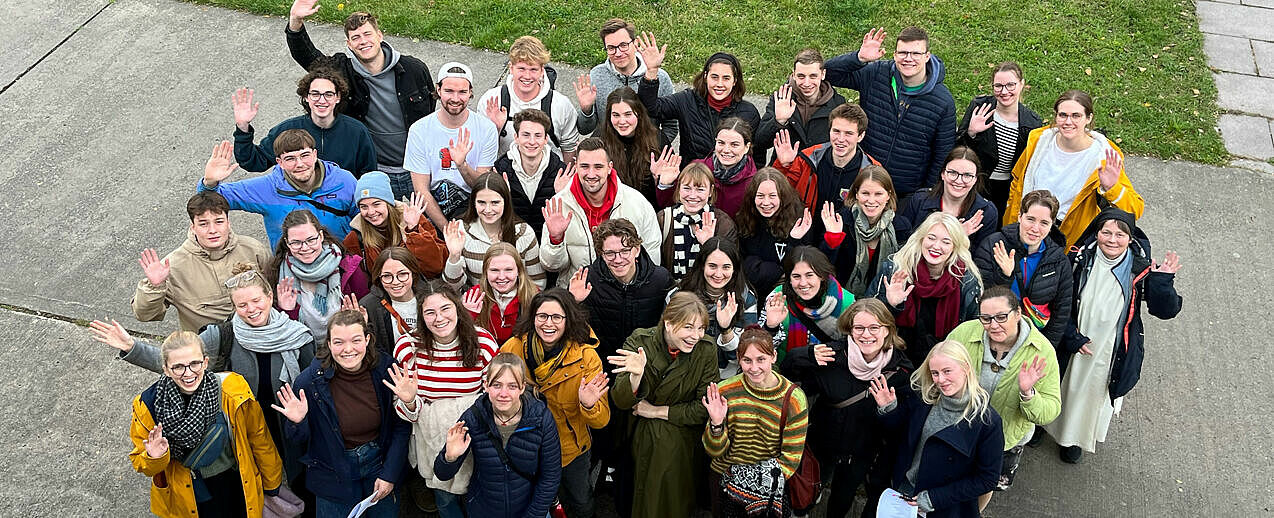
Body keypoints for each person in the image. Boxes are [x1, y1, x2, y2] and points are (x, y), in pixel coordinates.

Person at [99, 263, 316, 495]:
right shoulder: (222, 335)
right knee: (256, 492)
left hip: (290, 426)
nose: (251, 309)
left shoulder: (297, 336)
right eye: (241, 305)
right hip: (242, 432)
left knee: (297, 487)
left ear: (270, 296)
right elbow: (180, 361)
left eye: (256, 300)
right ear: (233, 307)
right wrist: (132, 347)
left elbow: (313, 386)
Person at [1044, 208, 1182, 463]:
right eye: (1106, 232)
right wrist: (1071, 335)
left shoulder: (1140, 269)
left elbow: (1165, 310)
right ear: (1096, 234)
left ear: (1130, 239)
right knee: (1058, 380)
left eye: (1120, 234)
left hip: (1108, 346)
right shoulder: (1078, 259)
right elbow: (1059, 302)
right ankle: (1042, 424)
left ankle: (1073, 438)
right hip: (1074, 337)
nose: (1112, 239)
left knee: (1089, 393)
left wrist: (1163, 281)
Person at [127, 331, 284, 518]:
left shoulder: (233, 389)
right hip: (189, 493)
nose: (188, 373)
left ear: (206, 362)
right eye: (178, 367)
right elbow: (141, 464)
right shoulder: (148, 405)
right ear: (166, 369)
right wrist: (155, 456)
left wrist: (272, 484)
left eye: (195, 363)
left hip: (235, 484)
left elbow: (259, 439)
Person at [286, 4, 436, 197]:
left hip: (418, 167)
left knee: (428, 224)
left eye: (367, 34)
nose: (363, 41)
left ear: (379, 36)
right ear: (349, 44)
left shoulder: (414, 69)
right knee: (380, 224)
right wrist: (296, 21)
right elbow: (308, 58)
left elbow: (431, 111)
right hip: (377, 170)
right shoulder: (342, 71)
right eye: (355, 37)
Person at [781, 298, 913, 518]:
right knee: (806, 492)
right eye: (859, 328)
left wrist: (889, 409)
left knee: (842, 500)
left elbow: (902, 426)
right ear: (849, 329)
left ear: (887, 330)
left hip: (862, 452)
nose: (866, 334)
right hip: (822, 444)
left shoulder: (901, 370)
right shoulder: (831, 355)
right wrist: (804, 355)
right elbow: (789, 380)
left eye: (874, 327)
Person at [274, 310, 411, 517]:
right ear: (328, 344)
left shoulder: (386, 369)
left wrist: (390, 474)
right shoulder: (308, 383)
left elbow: (401, 426)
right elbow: (296, 441)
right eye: (338, 342)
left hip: (378, 464)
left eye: (356, 340)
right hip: (333, 474)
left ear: (367, 339)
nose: (348, 349)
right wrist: (297, 422)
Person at [387, 280, 500, 518]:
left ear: (458, 309)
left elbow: (493, 398)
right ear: (421, 317)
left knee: (480, 498)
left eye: (445, 309)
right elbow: (409, 410)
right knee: (445, 499)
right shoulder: (408, 347)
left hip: (474, 435)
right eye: (430, 312)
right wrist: (408, 401)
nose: (439, 318)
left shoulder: (485, 343)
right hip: (432, 441)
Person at [945, 286, 1060, 510]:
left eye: (1001, 317)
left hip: (1005, 440)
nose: (993, 325)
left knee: (984, 486)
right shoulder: (964, 333)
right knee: (952, 477)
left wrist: (1028, 394)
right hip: (960, 428)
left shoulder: (1042, 351)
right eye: (986, 318)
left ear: (1018, 314)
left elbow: (1051, 409)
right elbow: (938, 368)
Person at [501, 289, 612, 518]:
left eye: (556, 317)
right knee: (535, 502)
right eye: (542, 316)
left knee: (580, 502)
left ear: (568, 319)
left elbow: (601, 421)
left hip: (570, 448)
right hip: (527, 445)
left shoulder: (586, 357)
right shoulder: (512, 348)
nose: (548, 323)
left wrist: (589, 405)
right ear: (532, 318)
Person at [609, 292, 719, 518]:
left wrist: (657, 411)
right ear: (668, 323)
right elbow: (620, 400)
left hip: (682, 431)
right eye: (688, 327)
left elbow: (703, 407)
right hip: (637, 429)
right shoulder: (640, 342)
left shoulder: (706, 350)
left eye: (701, 328)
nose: (696, 336)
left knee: (665, 446)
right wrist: (635, 377)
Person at [869, 340, 1002, 518]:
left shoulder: (987, 421)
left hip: (941, 508)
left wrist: (934, 498)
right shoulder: (923, 398)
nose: (940, 380)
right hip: (901, 496)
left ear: (966, 368)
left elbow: (987, 479)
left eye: (947, 371)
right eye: (935, 373)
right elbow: (898, 438)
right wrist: (889, 409)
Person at [823, 27, 957, 200]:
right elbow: (828, 73)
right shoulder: (876, 73)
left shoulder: (943, 101)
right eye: (903, 52)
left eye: (916, 53)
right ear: (894, 55)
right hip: (863, 181)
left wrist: (927, 194)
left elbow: (942, 154)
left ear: (927, 56)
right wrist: (859, 58)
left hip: (905, 193)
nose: (908, 59)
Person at [1004, 90, 1144, 248]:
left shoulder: (1104, 156)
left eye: (1076, 116)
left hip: (1065, 237)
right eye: (1062, 115)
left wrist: (1112, 188)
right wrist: (1012, 217)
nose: (1068, 122)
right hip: (1026, 227)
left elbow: (1134, 210)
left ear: (1088, 118)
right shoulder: (1039, 141)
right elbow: (1017, 181)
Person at [435, 353, 563, 518]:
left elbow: (550, 477)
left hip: (530, 509)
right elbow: (442, 474)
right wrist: (449, 457)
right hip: (484, 510)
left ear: (522, 387)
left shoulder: (541, 418)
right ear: (486, 385)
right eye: (496, 385)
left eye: (512, 386)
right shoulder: (473, 418)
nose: (504, 393)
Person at [702, 327, 809, 518]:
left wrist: (752, 482)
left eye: (761, 359)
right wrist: (716, 425)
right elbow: (714, 451)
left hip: (768, 488)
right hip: (724, 481)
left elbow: (791, 458)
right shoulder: (724, 390)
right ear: (738, 358)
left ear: (774, 356)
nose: (754, 368)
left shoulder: (793, 398)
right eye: (747, 360)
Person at [132, 191, 272, 332]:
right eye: (203, 224)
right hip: (208, 348)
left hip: (263, 336)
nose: (212, 230)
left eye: (219, 222)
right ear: (193, 227)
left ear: (228, 223)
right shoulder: (171, 267)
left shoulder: (253, 249)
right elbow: (145, 315)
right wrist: (155, 287)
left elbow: (274, 291)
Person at [540, 137, 662, 287]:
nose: (591, 174)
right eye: (584, 166)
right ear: (576, 166)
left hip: (624, 294)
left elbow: (652, 257)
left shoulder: (637, 203)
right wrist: (556, 239)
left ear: (610, 167)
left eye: (598, 167)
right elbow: (552, 266)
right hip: (577, 294)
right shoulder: (559, 205)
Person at [198, 133, 357, 246]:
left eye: (305, 155)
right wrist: (210, 182)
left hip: (344, 265)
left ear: (315, 154)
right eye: (290, 159)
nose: (299, 164)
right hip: (294, 271)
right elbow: (213, 200)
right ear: (279, 162)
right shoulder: (266, 188)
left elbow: (366, 217)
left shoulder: (343, 180)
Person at [868, 212, 983, 366]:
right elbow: (866, 317)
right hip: (895, 356)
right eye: (931, 238)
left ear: (955, 247)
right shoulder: (895, 268)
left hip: (944, 360)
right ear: (921, 238)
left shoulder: (967, 280)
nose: (936, 246)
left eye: (946, 242)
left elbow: (973, 331)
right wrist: (891, 304)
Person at [635, 35, 761, 167]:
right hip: (692, 180)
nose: (719, 84)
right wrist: (652, 71)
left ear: (734, 81)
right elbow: (651, 108)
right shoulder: (687, 100)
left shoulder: (749, 113)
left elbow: (756, 155)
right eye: (714, 77)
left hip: (732, 182)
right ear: (705, 77)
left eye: (726, 78)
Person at [404, 62, 501, 228]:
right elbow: (422, 190)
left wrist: (462, 165)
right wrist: (446, 229)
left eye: (462, 92)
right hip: (435, 210)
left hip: (475, 207)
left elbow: (484, 187)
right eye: (449, 91)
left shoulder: (486, 129)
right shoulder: (419, 130)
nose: (455, 99)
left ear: (470, 93)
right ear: (438, 90)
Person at [972, 190, 1073, 346]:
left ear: (1052, 225)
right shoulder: (993, 245)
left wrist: (1044, 348)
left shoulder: (1059, 260)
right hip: (991, 335)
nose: (1035, 228)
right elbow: (979, 299)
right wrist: (1005, 277)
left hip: (1033, 340)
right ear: (1020, 216)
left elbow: (1062, 312)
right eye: (1030, 219)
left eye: (1044, 223)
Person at [231, 70, 377, 176]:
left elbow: (369, 175)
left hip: (342, 209)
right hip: (297, 210)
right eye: (315, 94)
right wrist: (243, 127)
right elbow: (254, 161)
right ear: (306, 97)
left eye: (328, 94)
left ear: (338, 98)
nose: (321, 100)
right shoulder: (287, 130)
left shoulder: (357, 131)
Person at [570, 218, 674, 366]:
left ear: (636, 250)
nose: (618, 259)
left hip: (647, 364)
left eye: (625, 251)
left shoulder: (660, 279)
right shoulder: (587, 279)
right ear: (601, 254)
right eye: (610, 253)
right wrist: (573, 302)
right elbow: (574, 329)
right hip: (601, 364)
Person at [956, 62, 1043, 217]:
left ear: (1022, 84)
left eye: (1010, 85)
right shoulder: (980, 107)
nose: (1004, 92)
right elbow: (957, 149)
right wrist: (971, 133)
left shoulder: (1032, 122)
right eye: (998, 86)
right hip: (975, 181)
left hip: (1007, 188)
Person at [270, 210, 371, 343]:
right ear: (287, 243)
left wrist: (356, 321)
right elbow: (282, 334)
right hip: (305, 353)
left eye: (311, 240)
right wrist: (288, 311)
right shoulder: (279, 274)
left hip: (345, 350)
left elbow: (367, 322)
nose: (305, 248)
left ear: (321, 236)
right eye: (296, 242)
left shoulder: (348, 268)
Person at [478, 36, 582, 161]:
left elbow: (570, 149)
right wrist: (495, 130)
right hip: (504, 173)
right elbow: (480, 151)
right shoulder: (492, 100)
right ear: (511, 68)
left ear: (542, 70)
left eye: (533, 69)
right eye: (521, 69)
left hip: (549, 175)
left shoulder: (560, 104)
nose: (527, 76)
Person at [671, 237, 759, 378]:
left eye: (726, 267)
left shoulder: (746, 299)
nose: (718, 274)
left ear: (735, 269)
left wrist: (726, 329)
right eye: (712, 266)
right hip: (684, 373)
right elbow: (666, 341)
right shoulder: (678, 295)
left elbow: (743, 357)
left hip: (726, 376)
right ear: (702, 265)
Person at [578, 18, 677, 143]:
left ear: (634, 44)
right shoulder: (596, 76)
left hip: (647, 153)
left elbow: (672, 125)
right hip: (610, 152)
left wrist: (656, 147)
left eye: (623, 45)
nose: (618, 53)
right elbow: (584, 129)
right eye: (611, 48)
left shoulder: (660, 78)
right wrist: (586, 110)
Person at [442, 171, 547, 289]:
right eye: (481, 202)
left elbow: (538, 282)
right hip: (479, 304)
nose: (488, 210)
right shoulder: (462, 230)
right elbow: (452, 287)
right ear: (473, 203)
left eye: (495, 203)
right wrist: (454, 256)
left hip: (517, 304)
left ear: (505, 202)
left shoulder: (523, 232)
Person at [771, 103, 879, 214]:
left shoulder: (872, 171)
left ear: (860, 136)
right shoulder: (807, 159)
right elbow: (778, 192)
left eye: (848, 133)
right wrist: (783, 166)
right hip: (807, 227)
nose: (841, 139)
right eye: (836, 131)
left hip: (847, 230)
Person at [761, 246, 855, 365]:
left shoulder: (847, 302)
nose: (803, 283)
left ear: (821, 276)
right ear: (789, 278)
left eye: (809, 275)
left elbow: (853, 347)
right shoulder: (777, 298)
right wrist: (771, 327)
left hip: (829, 370)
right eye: (796, 276)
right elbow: (761, 349)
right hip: (787, 370)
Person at [343, 171, 447, 278]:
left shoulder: (414, 220)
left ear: (389, 204)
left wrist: (413, 231)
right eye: (364, 207)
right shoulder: (356, 237)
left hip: (417, 290)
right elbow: (356, 279)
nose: (371, 212)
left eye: (376, 204)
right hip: (381, 292)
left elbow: (435, 267)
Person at [755, 48, 848, 165]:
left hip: (819, 173)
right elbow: (760, 142)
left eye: (813, 76)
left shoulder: (838, 104)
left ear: (823, 74)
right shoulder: (781, 99)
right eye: (801, 76)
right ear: (793, 75)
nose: (807, 83)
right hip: (784, 171)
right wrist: (779, 121)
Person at [896, 146, 999, 248]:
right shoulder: (920, 199)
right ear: (943, 174)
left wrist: (960, 241)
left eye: (967, 175)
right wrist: (954, 235)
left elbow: (980, 260)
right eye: (953, 173)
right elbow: (903, 243)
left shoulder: (987, 212)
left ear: (975, 179)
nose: (959, 181)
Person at [736, 168, 817, 294]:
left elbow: (800, 268)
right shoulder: (745, 218)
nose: (766, 203)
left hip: (786, 292)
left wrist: (794, 240)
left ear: (782, 196)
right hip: (751, 290)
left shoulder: (798, 221)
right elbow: (742, 261)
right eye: (760, 196)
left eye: (773, 196)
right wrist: (774, 270)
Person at [656, 117, 758, 217]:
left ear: (746, 147)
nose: (726, 150)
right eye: (721, 143)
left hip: (731, 233)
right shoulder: (697, 167)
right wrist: (665, 185)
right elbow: (672, 208)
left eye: (734, 145)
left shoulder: (753, 182)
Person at [822, 165, 899, 295]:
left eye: (878, 194)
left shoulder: (900, 227)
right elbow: (822, 268)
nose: (871, 200)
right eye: (865, 193)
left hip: (881, 302)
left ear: (888, 195)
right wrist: (833, 238)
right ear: (856, 194)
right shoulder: (840, 221)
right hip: (841, 298)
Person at [654, 162, 740, 278]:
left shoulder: (723, 224)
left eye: (700, 189)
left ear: (710, 191)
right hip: (672, 289)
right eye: (687, 188)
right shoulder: (664, 219)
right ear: (678, 189)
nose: (693, 195)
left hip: (706, 289)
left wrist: (708, 244)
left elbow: (730, 267)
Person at [496, 109, 572, 236]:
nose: (532, 141)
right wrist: (504, 197)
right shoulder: (499, 170)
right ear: (516, 137)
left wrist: (562, 195)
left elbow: (572, 217)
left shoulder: (561, 172)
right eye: (526, 135)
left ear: (546, 139)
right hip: (513, 244)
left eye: (538, 135)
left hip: (549, 245)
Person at [458, 243, 542, 344]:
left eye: (508, 270)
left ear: (519, 271)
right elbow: (460, 339)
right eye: (494, 270)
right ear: (485, 272)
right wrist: (468, 317)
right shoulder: (473, 297)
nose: (501, 277)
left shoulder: (534, 296)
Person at [600, 87, 662, 205]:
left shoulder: (657, 140)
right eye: (616, 115)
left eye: (628, 114)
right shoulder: (601, 139)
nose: (622, 121)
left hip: (648, 208)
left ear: (638, 113)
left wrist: (659, 182)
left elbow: (668, 198)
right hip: (612, 208)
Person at [359, 247, 425, 355]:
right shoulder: (368, 306)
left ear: (413, 273)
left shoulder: (429, 296)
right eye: (387, 276)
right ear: (379, 277)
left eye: (402, 274)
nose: (395, 282)